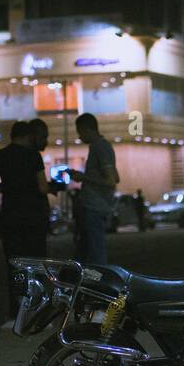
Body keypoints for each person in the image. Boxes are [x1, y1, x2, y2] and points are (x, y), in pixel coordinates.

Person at [0, 120, 49, 325]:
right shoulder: (34, 156)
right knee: (38, 265)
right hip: (34, 217)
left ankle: (15, 315)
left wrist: (10, 185)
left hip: (11, 217)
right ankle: (40, 314)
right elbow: (42, 187)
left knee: (14, 266)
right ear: (27, 136)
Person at [67, 113, 118, 265]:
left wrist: (83, 177)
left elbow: (110, 181)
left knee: (95, 252)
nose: (79, 136)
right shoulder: (103, 146)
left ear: (87, 129)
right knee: (86, 250)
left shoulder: (99, 147)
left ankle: (99, 283)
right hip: (96, 206)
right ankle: (75, 280)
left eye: (80, 132)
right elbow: (115, 177)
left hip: (94, 206)